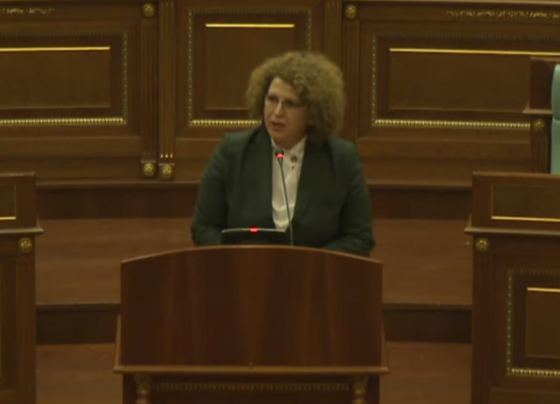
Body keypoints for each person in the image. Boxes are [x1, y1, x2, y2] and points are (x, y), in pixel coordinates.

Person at [191, 50, 375, 257]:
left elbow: (360, 237)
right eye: (272, 100)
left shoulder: (341, 159)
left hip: (314, 275)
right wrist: (241, 259)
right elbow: (204, 227)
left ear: (313, 113)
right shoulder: (233, 151)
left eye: (290, 104)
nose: (277, 112)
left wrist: (309, 264)